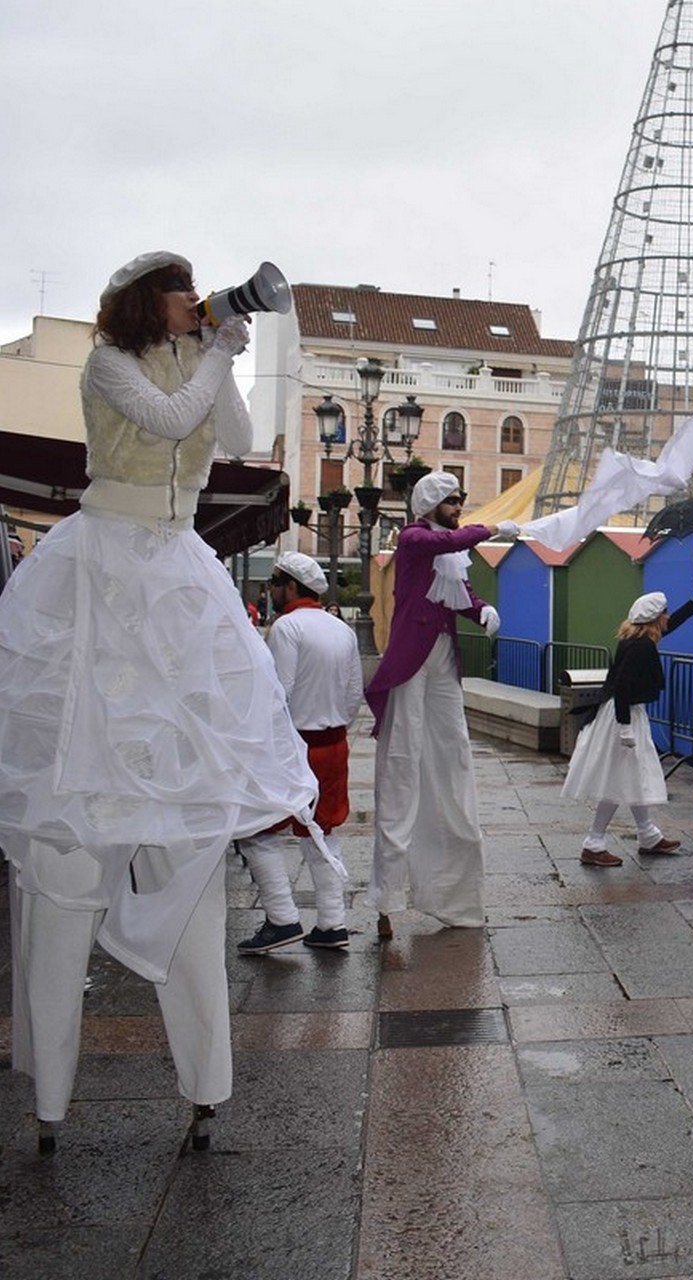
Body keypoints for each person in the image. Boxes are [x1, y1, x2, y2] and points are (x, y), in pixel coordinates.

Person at [0, 251, 321, 1153]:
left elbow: (236, 434)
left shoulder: (193, 358)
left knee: (183, 800)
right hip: (104, 559)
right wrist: (214, 349)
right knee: (77, 785)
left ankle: (204, 1079)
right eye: (185, 291)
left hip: (176, 567)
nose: (197, 298)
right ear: (150, 301)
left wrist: (227, 351)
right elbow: (166, 417)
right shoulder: (108, 361)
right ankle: (52, 1092)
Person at [365, 471, 517, 940]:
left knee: (453, 762)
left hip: (441, 661)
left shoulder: (445, 552)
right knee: (402, 767)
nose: (460, 506)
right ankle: (388, 900)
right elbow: (450, 543)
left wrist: (481, 609)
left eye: (462, 500)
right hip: (411, 662)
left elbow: (457, 590)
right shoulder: (413, 539)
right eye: (453, 500)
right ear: (431, 503)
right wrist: (491, 530)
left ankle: (455, 898)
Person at [236, 551, 363, 954]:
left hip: (293, 746)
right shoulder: (341, 629)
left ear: (291, 586)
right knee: (320, 831)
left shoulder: (287, 627)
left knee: (256, 829)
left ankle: (281, 918)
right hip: (334, 743)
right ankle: (331, 923)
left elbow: (279, 693)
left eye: (274, 583)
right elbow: (353, 695)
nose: (269, 591)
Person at [565, 583, 693, 866]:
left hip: (623, 714)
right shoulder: (642, 647)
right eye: (665, 613)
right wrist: (625, 727)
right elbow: (622, 687)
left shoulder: (637, 639)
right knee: (620, 776)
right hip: (624, 715)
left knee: (634, 774)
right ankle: (594, 842)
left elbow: (669, 627)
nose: (668, 617)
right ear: (655, 617)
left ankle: (647, 834)